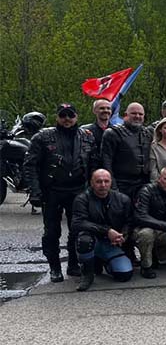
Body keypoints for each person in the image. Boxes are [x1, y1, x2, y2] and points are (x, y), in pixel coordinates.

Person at [24, 102, 98, 282]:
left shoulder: (87, 136)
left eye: (70, 115)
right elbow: (30, 165)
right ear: (57, 117)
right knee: (51, 232)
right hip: (52, 191)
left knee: (77, 230)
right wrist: (34, 191)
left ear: (76, 117)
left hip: (78, 190)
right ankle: (54, 268)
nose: (67, 119)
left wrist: (94, 189)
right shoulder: (43, 137)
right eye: (63, 115)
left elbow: (94, 164)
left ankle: (73, 264)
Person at [72, 169, 134, 291]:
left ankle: (105, 262)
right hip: (92, 241)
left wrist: (123, 236)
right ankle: (87, 275)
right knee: (84, 240)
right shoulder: (81, 199)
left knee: (124, 275)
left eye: (106, 181)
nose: (103, 185)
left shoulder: (123, 199)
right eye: (99, 181)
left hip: (112, 243)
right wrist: (107, 231)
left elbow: (130, 222)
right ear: (92, 183)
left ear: (111, 182)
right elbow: (77, 223)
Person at [101, 102, 152, 201]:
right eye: (134, 113)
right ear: (126, 115)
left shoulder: (148, 134)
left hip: (143, 185)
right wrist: (113, 187)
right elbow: (106, 162)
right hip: (121, 184)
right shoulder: (112, 133)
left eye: (140, 114)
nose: (137, 116)